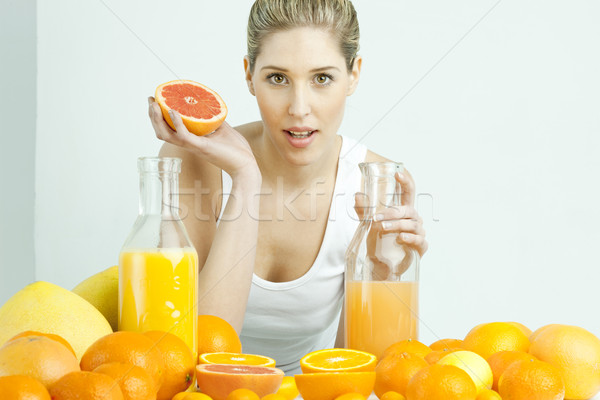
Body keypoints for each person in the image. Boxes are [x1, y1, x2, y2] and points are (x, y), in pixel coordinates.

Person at [148, 0, 428, 374]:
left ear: (354, 75)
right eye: (278, 78)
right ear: (249, 75)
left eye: (322, 78)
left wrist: (381, 273)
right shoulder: (195, 160)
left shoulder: (373, 180)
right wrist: (246, 178)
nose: (299, 108)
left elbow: (359, 373)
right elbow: (193, 355)